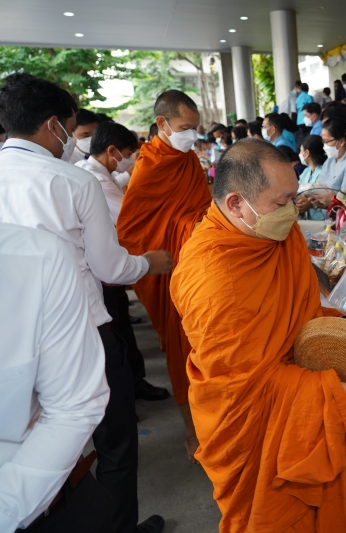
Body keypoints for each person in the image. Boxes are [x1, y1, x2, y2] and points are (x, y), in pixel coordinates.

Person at [170, 139, 346, 533]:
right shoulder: (213, 278)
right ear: (235, 204)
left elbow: (299, 318)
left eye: (293, 198)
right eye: (280, 202)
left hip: (298, 401)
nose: (290, 211)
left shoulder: (273, 236)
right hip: (256, 432)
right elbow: (243, 388)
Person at [0, 72, 171, 533]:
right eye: (73, 128)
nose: (75, 141)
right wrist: (151, 263)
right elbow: (110, 268)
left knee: (27, 441)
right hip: (82, 331)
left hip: (11, 339)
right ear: (53, 124)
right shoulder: (72, 181)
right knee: (113, 443)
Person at [116, 89, 212, 464]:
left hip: (201, 266)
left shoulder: (185, 159)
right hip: (173, 274)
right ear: (163, 124)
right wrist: (190, 227)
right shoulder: (151, 165)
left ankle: (214, 423)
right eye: (186, 128)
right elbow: (132, 230)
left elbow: (201, 203)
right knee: (181, 350)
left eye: (195, 128)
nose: (192, 135)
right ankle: (192, 429)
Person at [0, 223, 111, 533]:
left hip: (35, 501)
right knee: (116, 445)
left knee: (115, 440)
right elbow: (110, 265)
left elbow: (74, 407)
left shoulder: (35, 257)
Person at [76, 122, 172, 402]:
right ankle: (129, 391)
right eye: (131, 153)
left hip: (107, 269)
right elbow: (128, 219)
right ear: (112, 151)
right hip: (105, 271)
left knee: (121, 332)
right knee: (116, 334)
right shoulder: (91, 181)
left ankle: (132, 383)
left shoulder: (96, 174)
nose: (132, 159)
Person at [317, 117, 346, 200]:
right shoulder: (329, 161)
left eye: (327, 141)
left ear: (342, 141)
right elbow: (318, 186)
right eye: (323, 141)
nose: (325, 146)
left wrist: (331, 199)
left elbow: (345, 198)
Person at [296, 134, 328, 220]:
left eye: (300, 151)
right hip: (308, 219)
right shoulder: (306, 171)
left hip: (322, 219)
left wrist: (310, 203)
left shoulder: (324, 171)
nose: (300, 154)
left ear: (307, 153)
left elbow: (323, 196)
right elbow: (297, 189)